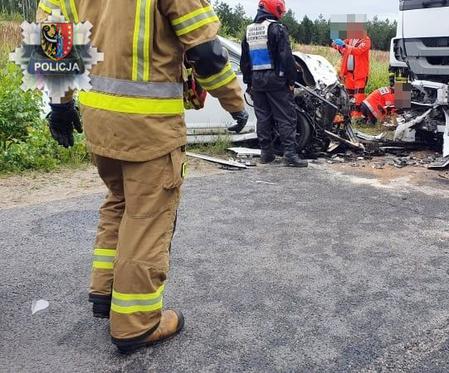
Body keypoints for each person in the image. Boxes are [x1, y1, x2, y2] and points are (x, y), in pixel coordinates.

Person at [38, 0, 248, 353]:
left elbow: (53, 43)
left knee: (119, 202)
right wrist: (235, 103)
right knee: (146, 217)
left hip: (99, 122)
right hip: (148, 128)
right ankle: (136, 322)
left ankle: (106, 292)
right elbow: (208, 54)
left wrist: (60, 107)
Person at [240, 0, 308, 167]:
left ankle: (266, 154)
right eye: (281, 10)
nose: (282, 13)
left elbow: (245, 61)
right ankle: (290, 155)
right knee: (286, 117)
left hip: (257, 81)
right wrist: (291, 80)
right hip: (276, 80)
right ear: (275, 9)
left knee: (263, 117)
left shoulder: (249, 31)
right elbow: (286, 57)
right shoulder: (277, 28)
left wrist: (249, 82)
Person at [332, 23, 371, 119]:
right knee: (348, 96)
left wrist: (344, 45)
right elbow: (341, 47)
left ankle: (357, 118)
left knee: (358, 97)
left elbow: (357, 51)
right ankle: (348, 116)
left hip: (359, 75)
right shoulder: (351, 39)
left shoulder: (366, 40)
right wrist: (335, 44)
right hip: (348, 74)